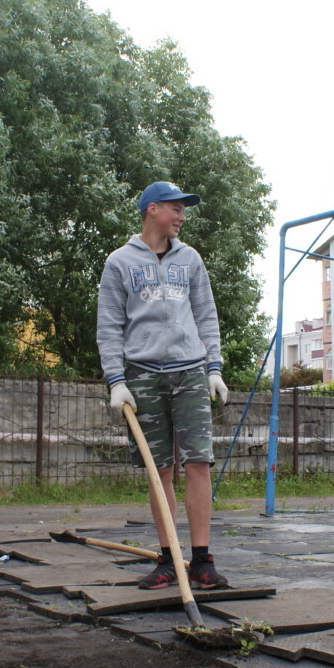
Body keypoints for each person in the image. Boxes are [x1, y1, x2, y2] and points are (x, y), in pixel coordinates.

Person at [96, 182, 230, 590]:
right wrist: (116, 381)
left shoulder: (190, 259)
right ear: (152, 210)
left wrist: (214, 367)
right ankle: (169, 560)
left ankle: (202, 562)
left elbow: (206, 315)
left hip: (190, 370)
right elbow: (109, 327)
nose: (182, 216)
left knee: (198, 462)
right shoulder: (119, 263)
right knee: (160, 470)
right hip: (142, 375)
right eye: (176, 208)